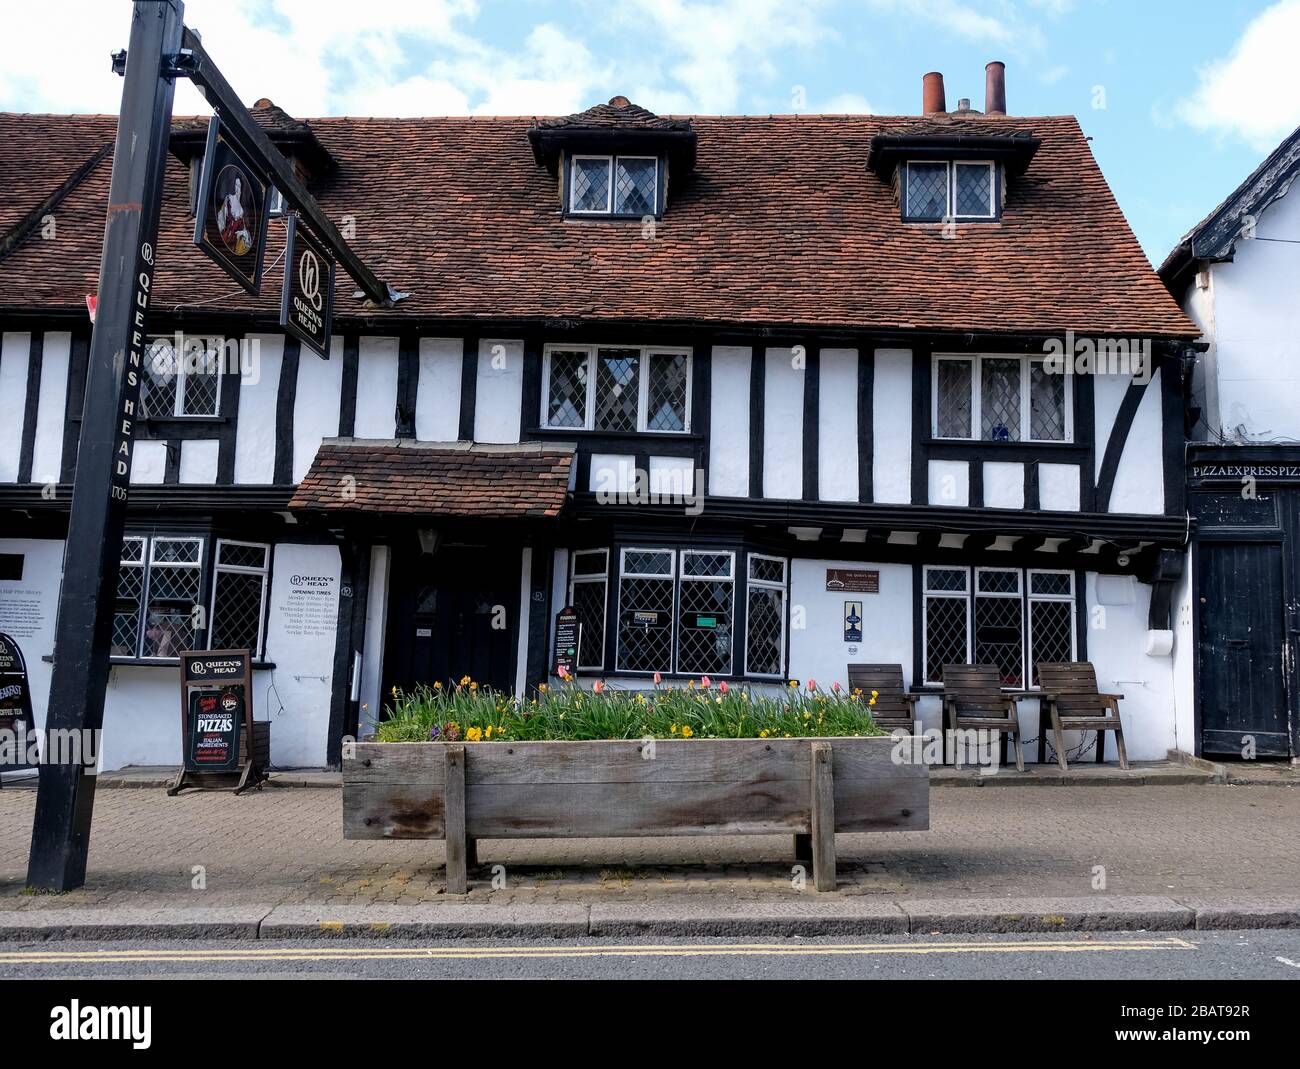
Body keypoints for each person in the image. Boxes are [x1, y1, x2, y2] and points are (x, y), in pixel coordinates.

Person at [216, 173, 254, 256]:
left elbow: (243, 228)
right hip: (228, 237)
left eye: (239, 187)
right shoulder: (228, 201)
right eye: (236, 186)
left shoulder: (242, 208)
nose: (237, 189)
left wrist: (242, 233)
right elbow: (221, 221)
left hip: (237, 241)